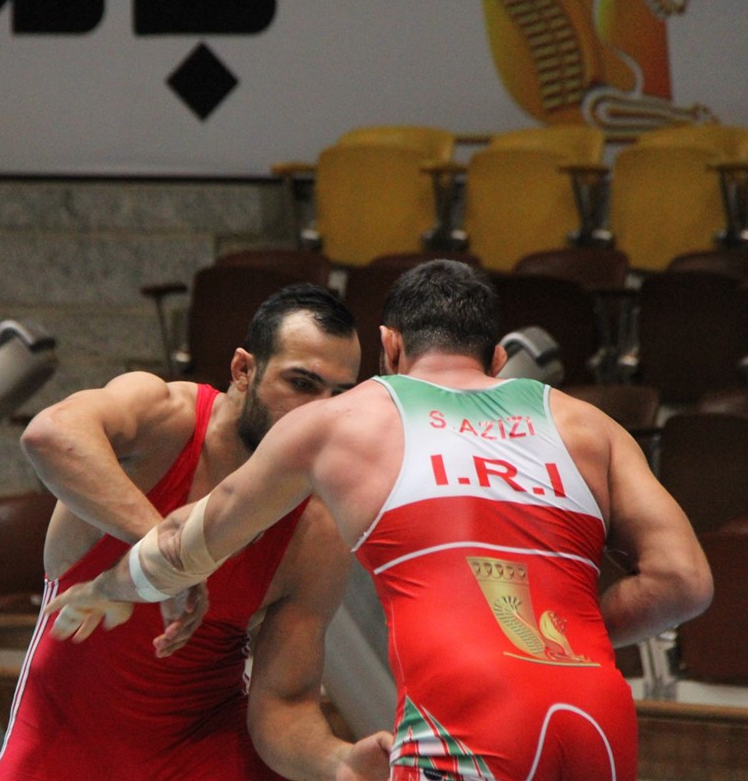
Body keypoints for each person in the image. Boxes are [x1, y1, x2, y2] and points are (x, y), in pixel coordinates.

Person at [48, 259, 714, 781]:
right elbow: (685, 584)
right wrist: (568, 638)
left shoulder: (343, 421)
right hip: (598, 710)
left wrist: (111, 586)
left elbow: (181, 546)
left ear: (389, 348)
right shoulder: (587, 425)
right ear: (497, 360)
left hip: (467, 719)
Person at [0, 283, 393, 781]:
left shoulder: (315, 529)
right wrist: (169, 558)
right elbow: (48, 436)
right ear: (243, 371)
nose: (320, 412)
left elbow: (284, 706)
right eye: (302, 383)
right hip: (62, 736)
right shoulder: (163, 418)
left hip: (202, 749)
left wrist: (338, 762)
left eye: (339, 395)